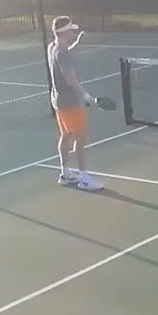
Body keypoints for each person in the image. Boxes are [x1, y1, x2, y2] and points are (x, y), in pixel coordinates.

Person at [47, 15, 103, 191]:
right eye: (71, 30)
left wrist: (76, 44)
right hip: (70, 102)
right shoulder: (63, 53)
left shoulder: (52, 47)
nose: (74, 32)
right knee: (80, 137)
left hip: (58, 101)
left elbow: (61, 55)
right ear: (65, 32)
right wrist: (86, 96)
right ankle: (84, 178)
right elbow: (70, 78)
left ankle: (65, 173)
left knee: (66, 135)